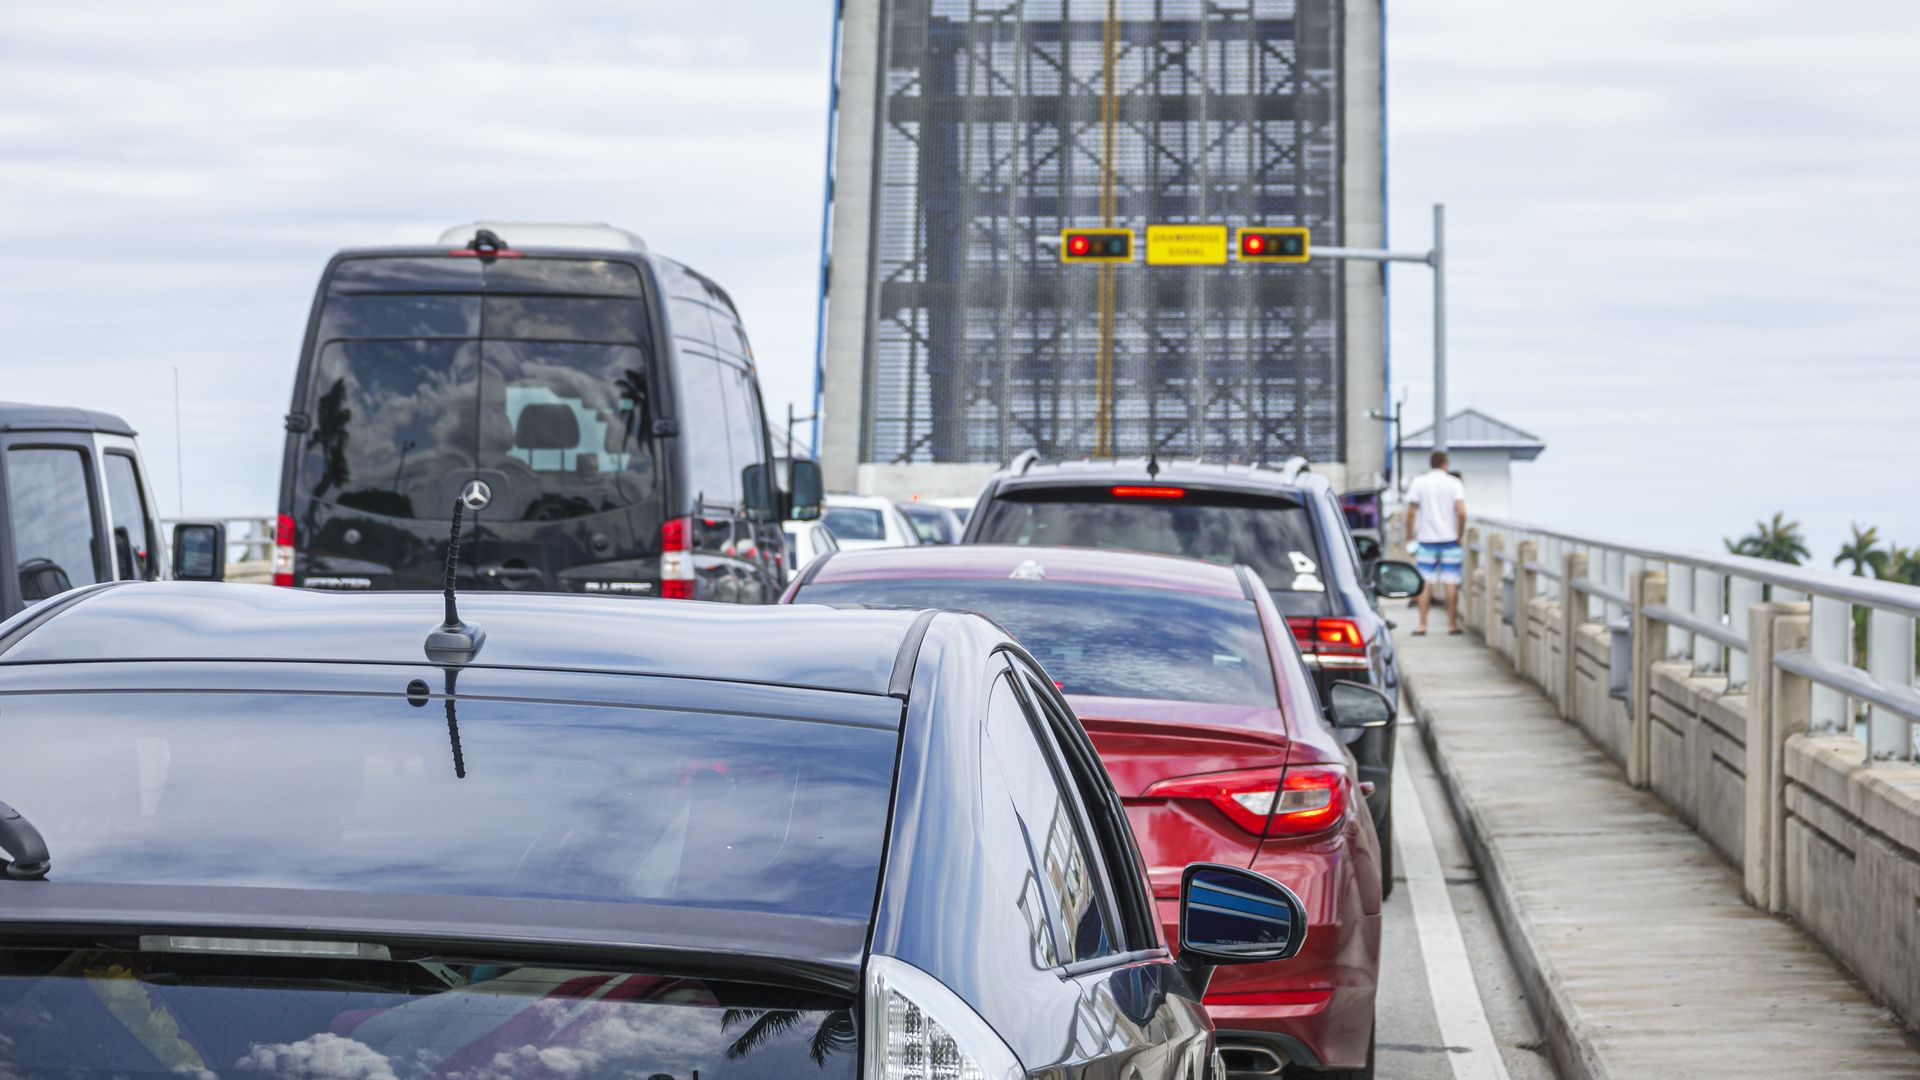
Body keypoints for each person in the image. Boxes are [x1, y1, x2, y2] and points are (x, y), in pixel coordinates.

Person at [1405, 450, 1467, 635]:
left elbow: (1411, 512)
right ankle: (1452, 624)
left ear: (1431, 463)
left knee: (1424, 583)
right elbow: (1462, 512)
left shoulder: (1419, 482)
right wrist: (1459, 534)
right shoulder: (1454, 483)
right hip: (1450, 540)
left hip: (1426, 540)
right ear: (1445, 464)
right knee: (1451, 583)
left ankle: (1423, 625)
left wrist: (1409, 535)